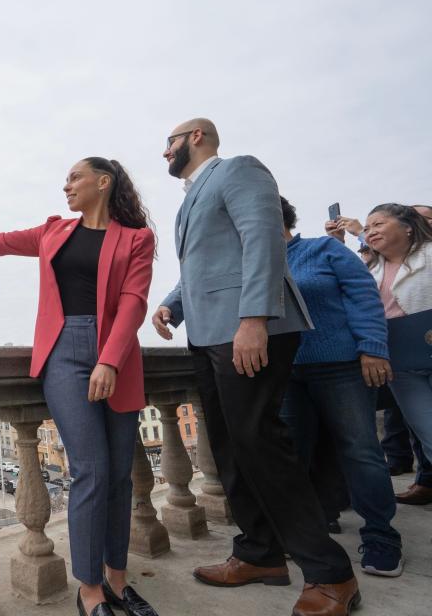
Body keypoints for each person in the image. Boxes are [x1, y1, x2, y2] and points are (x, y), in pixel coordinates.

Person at [0, 157, 157, 616]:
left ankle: (117, 580)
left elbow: (134, 302)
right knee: (91, 470)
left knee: (118, 477)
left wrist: (110, 359)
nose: (66, 186)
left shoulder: (137, 238)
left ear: (103, 182)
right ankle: (90, 589)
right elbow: (2, 241)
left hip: (117, 354)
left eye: (75, 177)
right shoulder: (54, 231)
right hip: (65, 354)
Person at [151, 118, 359, 616]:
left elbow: (263, 242)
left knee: (260, 444)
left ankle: (331, 574)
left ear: (196, 137)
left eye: (170, 143)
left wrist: (254, 318)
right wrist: (172, 306)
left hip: (247, 329)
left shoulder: (239, 170)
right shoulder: (192, 197)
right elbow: (205, 265)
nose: (165, 154)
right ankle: (260, 553)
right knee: (229, 446)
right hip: (207, 333)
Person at [278, 195, 403, 576]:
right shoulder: (251, 263)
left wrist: (372, 348)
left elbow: (363, 295)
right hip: (287, 373)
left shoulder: (323, 249)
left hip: (342, 366)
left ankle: (382, 538)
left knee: (361, 451)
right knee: (294, 453)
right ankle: (307, 529)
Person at [363, 204, 432, 489]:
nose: (371, 231)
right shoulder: (367, 270)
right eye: (366, 228)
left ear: (407, 226)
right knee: (428, 433)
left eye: (378, 224)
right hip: (401, 367)